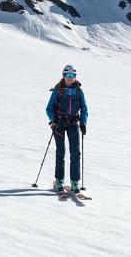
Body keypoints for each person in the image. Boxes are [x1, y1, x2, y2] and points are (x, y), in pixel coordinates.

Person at [45, 64, 88, 193]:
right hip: (59, 123)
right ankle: (59, 180)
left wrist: (83, 122)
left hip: (73, 123)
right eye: (67, 75)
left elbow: (84, 108)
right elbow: (49, 108)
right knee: (61, 151)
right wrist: (53, 119)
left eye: (72, 76)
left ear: (75, 77)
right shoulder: (58, 90)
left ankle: (75, 182)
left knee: (75, 152)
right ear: (63, 76)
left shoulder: (79, 91)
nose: (70, 78)